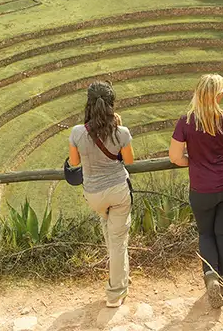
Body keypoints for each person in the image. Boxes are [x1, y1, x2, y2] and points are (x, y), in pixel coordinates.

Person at [168, 74, 223, 308]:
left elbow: (175, 157)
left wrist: (197, 161)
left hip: (202, 188)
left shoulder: (185, 122)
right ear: (218, 95)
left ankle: (210, 276)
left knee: (206, 233)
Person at [68, 81, 135, 307]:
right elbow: (129, 160)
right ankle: (115, 293)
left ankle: (120, 274)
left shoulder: (77, 133)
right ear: (111, 106)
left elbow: (74, 163)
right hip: (117, 191)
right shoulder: (121, 133)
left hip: (94, 194)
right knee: (117, 242)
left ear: (88, 105)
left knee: (112, 235)